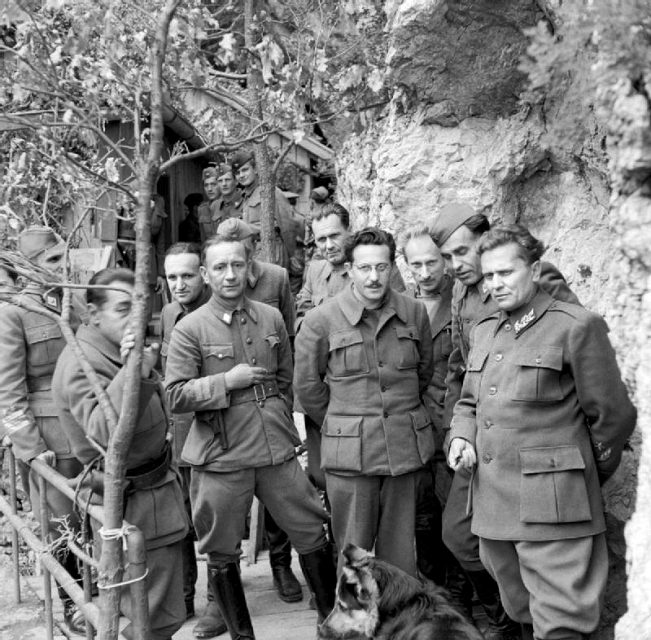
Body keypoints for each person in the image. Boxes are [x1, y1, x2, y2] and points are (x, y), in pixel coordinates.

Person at [448, 224, 636, 640]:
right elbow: (469, 401)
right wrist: (461, 435)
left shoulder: (576, 326)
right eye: (489, 275)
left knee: (562, 623)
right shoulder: (484, 330)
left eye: (506, 273)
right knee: (523, 614)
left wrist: (581, 474)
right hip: (494, 506)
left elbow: (613, 416)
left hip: (554, 508)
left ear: (534, 270)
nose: (496, 284)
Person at [164, 234, 336, 640]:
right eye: (220, 267)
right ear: (206, 274)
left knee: (311, 529)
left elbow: (283, 377)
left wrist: (280, 418)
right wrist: (226, 380)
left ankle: (333, 625)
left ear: (249, 268)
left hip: (274, 449)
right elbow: (175, 395)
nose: (229, 275)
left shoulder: (270, 317)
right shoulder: (190, 327)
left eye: (237, 265)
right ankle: (242, 635)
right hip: (221, 454)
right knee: (221, 548)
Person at [430, 203, 580, 640]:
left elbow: (569, 351)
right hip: (480, 434)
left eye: (463, 252)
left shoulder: (539, 279)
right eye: (447, 257)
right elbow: (463, 363)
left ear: (486, 240)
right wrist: (459, 429)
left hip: (536, 444)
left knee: (542, 561)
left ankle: (529, 625)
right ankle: (510, 621)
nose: (456, 265)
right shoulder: (461, 291)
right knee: (461, 536)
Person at [54, 268, 188, 640]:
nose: (134, 318)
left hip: (154, 496)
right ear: (93, 314)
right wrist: (135, 371)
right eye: (122, 308)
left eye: (139, 308)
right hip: (134, 503)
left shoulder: (113, 350)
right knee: (149, 620)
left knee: (160, 614)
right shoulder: (85, 362)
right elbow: (102, 433)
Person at [294, 227, 435, 577]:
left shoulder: (414, 312)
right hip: (351, 456)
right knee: (353, 554)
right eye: (364, 268)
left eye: (382, 267)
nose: (373, 277)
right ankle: (355, 627)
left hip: (402, 450)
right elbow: (308, 386)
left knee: (401, 554)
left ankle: (398, 626)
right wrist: (345, 420)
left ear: (392, 267)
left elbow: (425, 372)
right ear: (350, 269)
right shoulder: (320, 320)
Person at [0, 226, 86, 635]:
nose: (63, 266)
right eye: (52, 261)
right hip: (52, 441)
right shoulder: (13, 313)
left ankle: (98, 590)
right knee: (59, 524)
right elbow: (8, 392)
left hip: (90, 430)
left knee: (94, 517)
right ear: (28, 268)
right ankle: (72, 601)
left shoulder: (77, 299)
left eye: (64, 256)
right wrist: (31, 449)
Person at [295, 204, 404, 491]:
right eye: (320, 240)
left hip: (367, 395)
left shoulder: (378, 272)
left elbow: (395, 330)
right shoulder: (315, 271)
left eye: (335, 235)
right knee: (325, 474)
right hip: (324, 399)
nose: (328, 246)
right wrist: (330, 414)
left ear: (349, 231)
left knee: (371, 479)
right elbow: (302, 320)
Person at [401, 226, 472, 609]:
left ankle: (461, 599)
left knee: (455, 517)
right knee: (421, 521)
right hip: (413, 430)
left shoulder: (460, 303)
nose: (425, 271)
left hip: (450, 427)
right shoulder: (400, 306)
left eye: (432, 262)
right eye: (417, 264)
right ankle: (436, 598)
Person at [159, 243, 223, 638]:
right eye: (172, 278)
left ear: (203, 273)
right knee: (180, 516)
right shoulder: (169, 314)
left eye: (187, 275)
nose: (180, 284)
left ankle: (219, 602)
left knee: (213, 519)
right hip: (179, 431)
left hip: (216, 432)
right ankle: (184, 597)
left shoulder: (220, 310)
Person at [231, 149, 304, 277]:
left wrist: (291, 255)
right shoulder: (247, 196)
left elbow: (288, 226)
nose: (241, 175)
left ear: (255, 169)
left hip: (272, 249)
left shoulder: (271, 192)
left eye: (245, 170)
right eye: (237, 173)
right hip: (254, 252)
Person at [197, 167, 222, 242]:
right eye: (206, 185)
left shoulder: (227, 204)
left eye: (213, 184)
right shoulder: (202, 209)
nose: (209, 189)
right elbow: (203, 239)